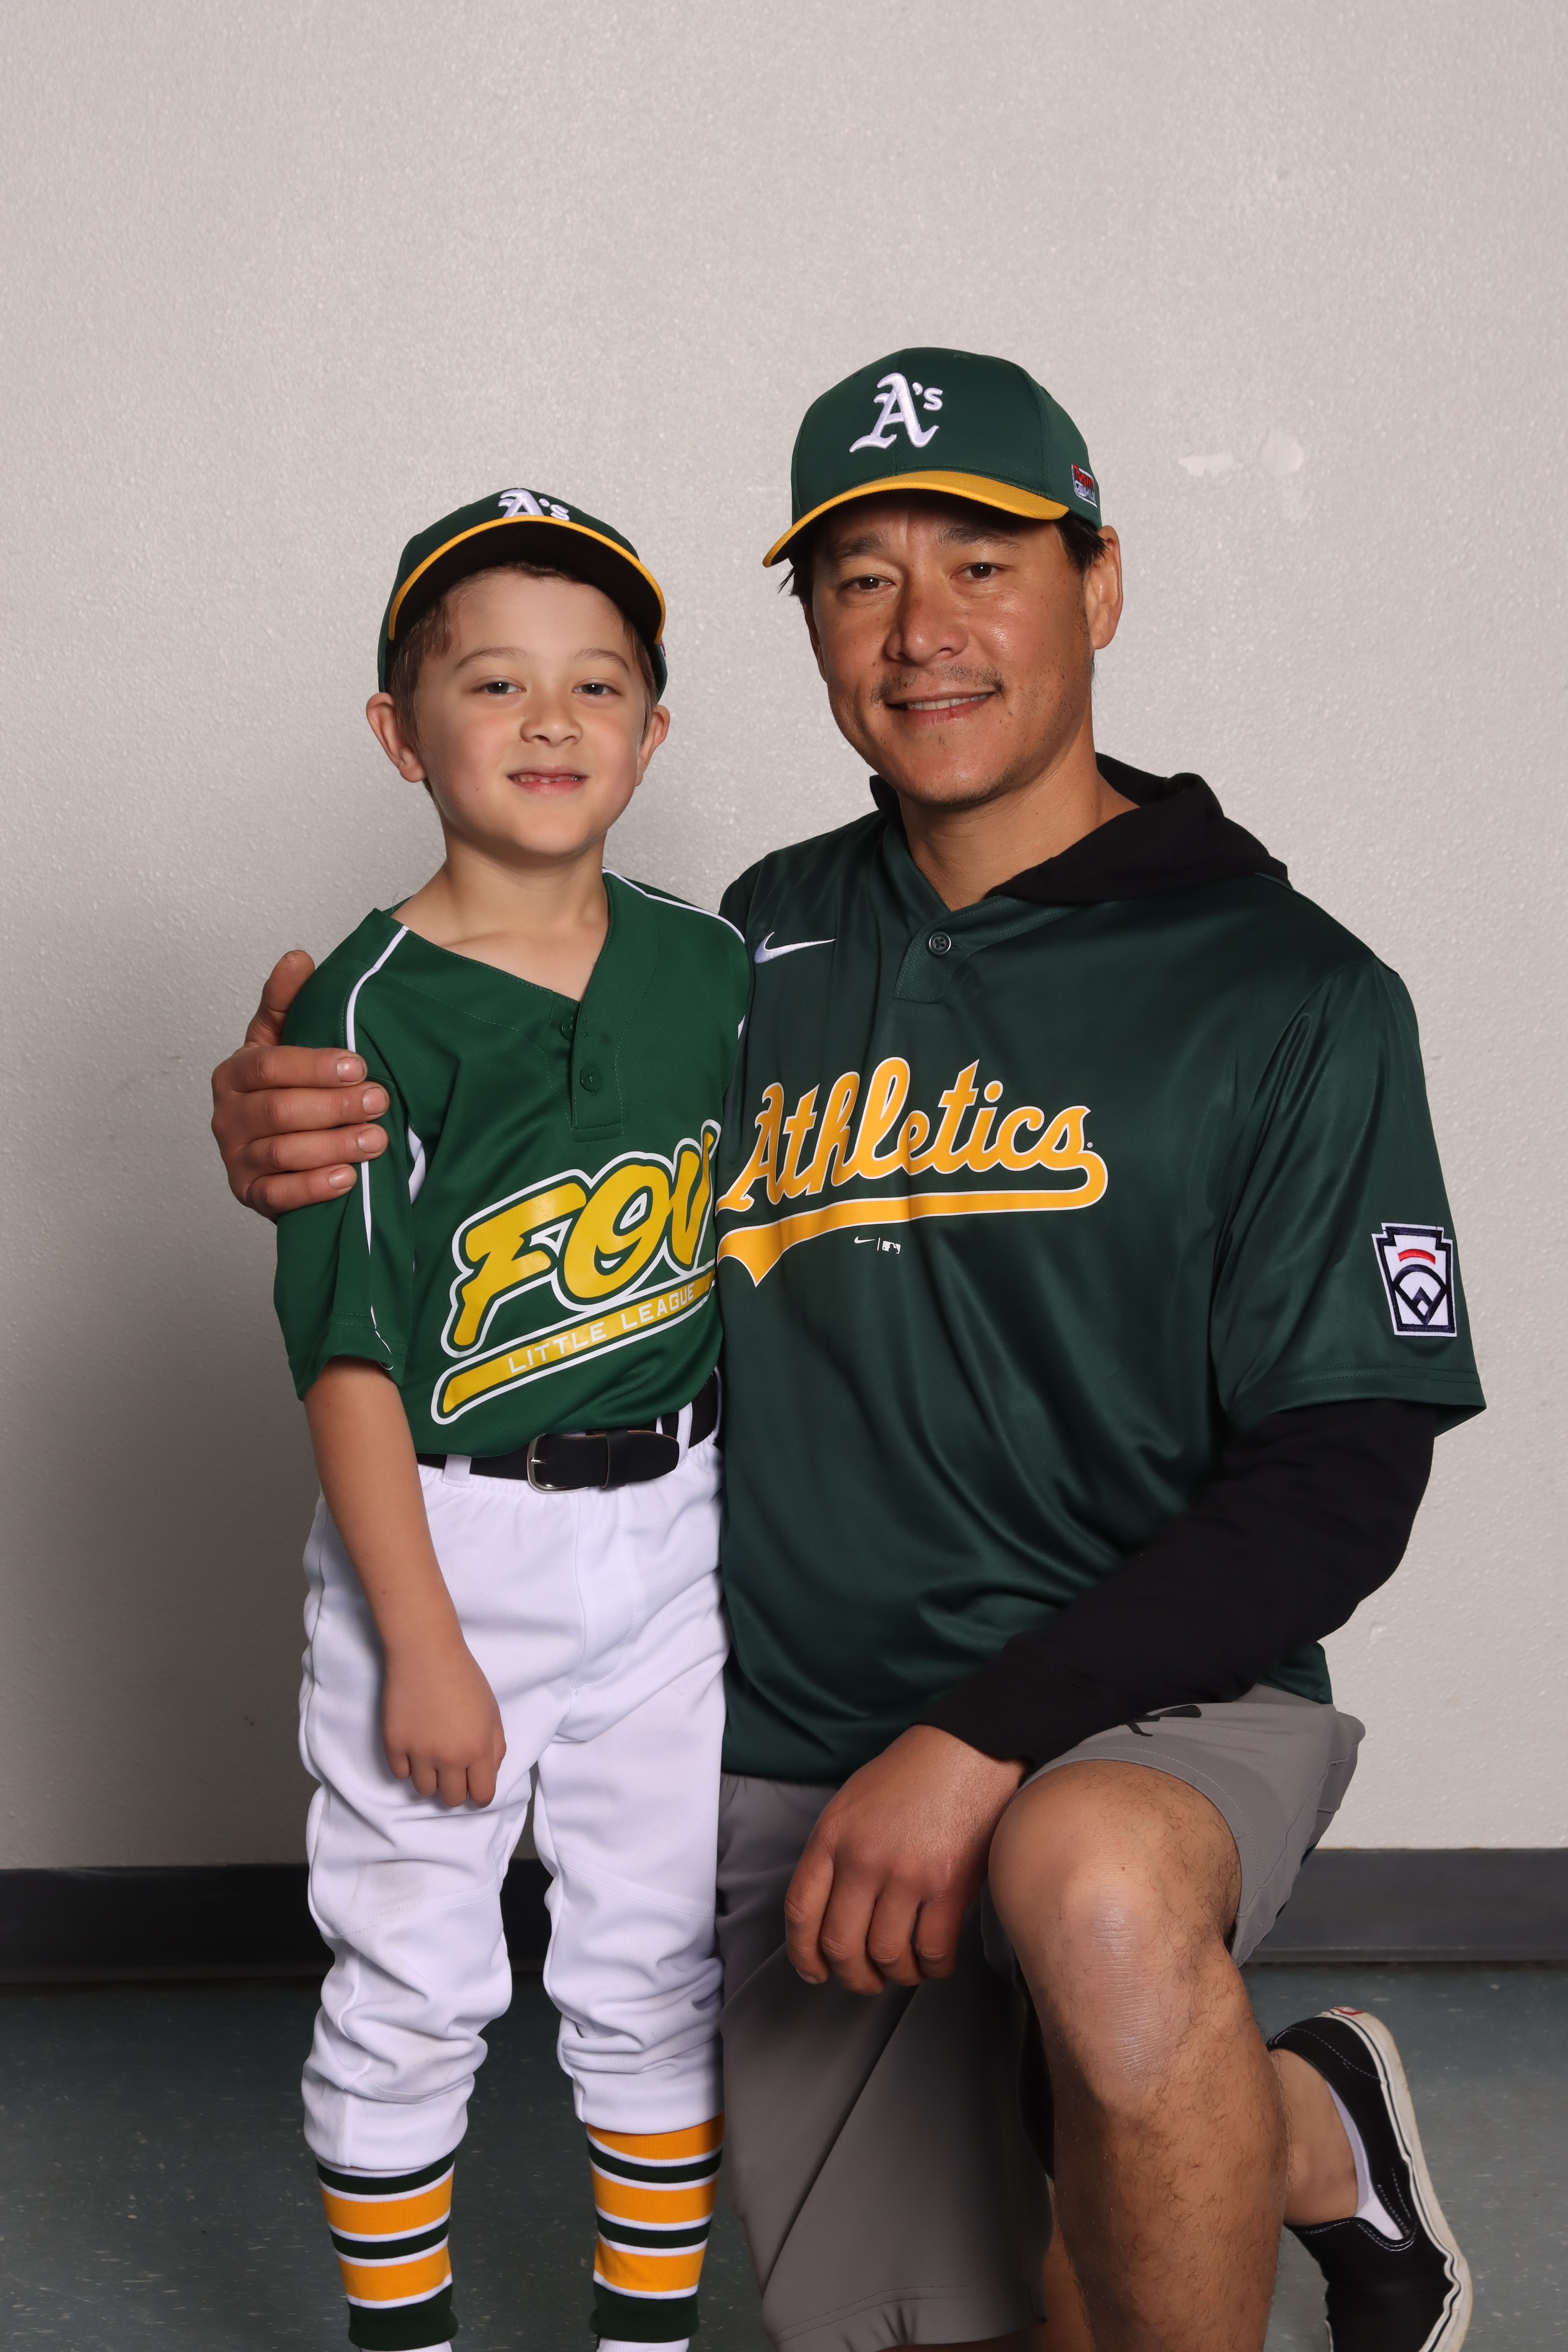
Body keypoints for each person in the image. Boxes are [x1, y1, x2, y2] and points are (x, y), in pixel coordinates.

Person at [214, 352, 1480, 2352]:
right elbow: (491, 1154)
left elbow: (1345, 1480)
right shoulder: (747, 951)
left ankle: (1194, 2087)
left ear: (1099, 582)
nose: (920, 631)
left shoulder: (1290, 989)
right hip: (798, 1755)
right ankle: (1307, 2125)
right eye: (858, 579)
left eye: (981, 563)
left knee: (1085, 1893)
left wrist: (983, 1740)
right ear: (807, 628)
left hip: (1130, 1723)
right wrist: (293, 1120)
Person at [270, 487, 748, 2352]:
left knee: (655, 1965)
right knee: (415, 1977)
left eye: (597, 682)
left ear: (653, 728)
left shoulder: (712, 967)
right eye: (493, 681)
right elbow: (349, 1356)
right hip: (448, 1533)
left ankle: (645, 2341)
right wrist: (421, 1642)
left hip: (677, 1527)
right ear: (402, 733)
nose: (552, 719)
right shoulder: (365, 1006)